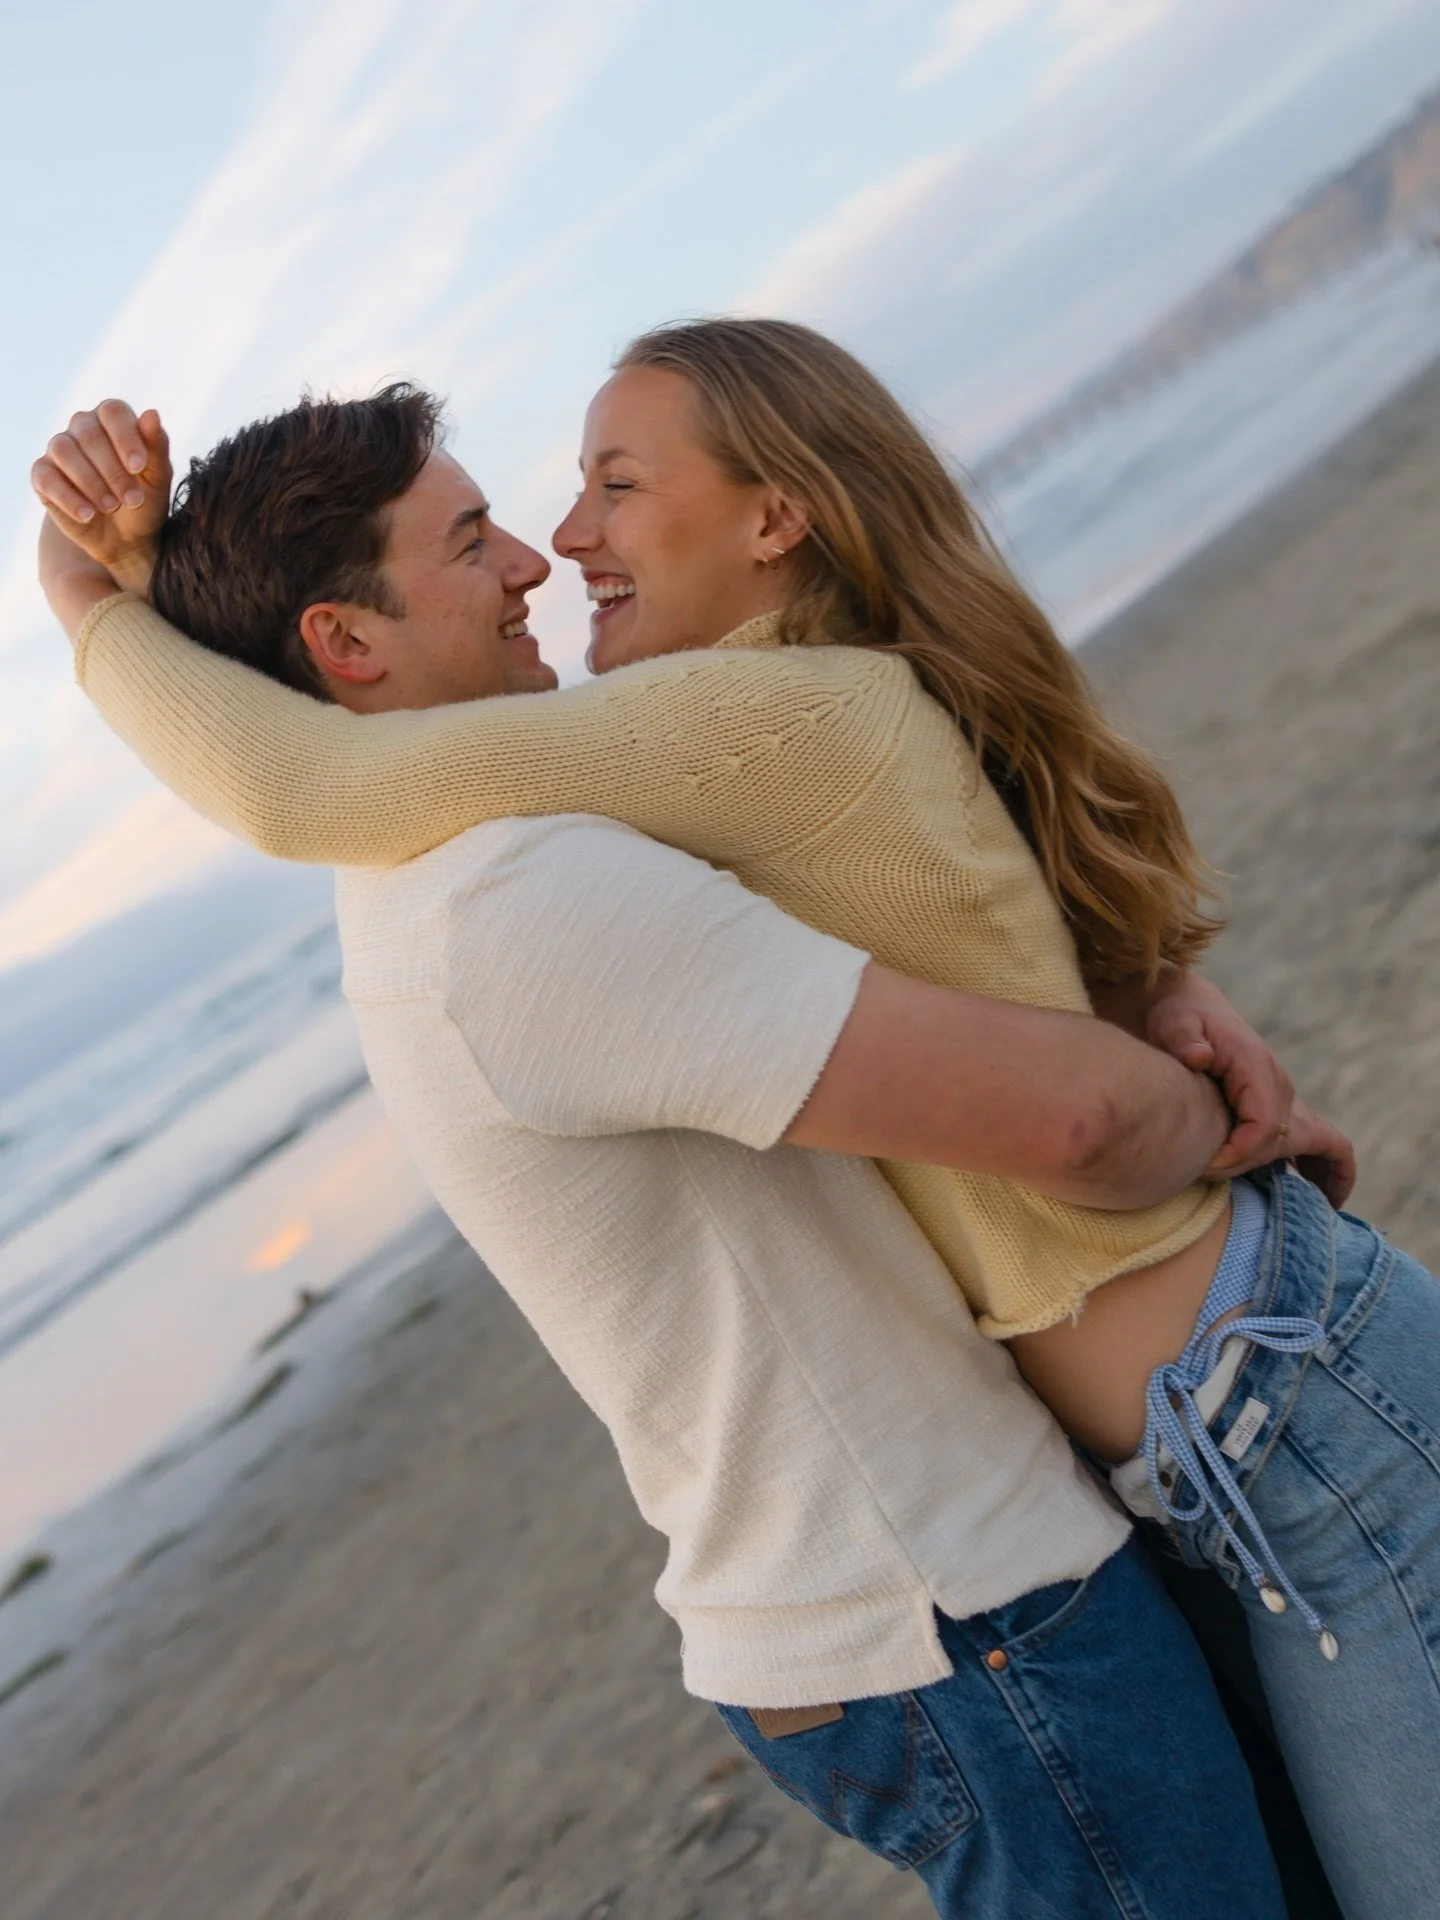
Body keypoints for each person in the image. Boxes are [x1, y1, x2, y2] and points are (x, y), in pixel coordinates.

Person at [34, 376, 1339, 1916]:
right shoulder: (513, 902)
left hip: (917, 1602)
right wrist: (1233, 1124)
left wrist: (1158, 984)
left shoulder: (452, 868)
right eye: (469, 540)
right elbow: (1071, 1118)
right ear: (346, 643)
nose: (532, 560)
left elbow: (926, 901)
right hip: (955, 1605)